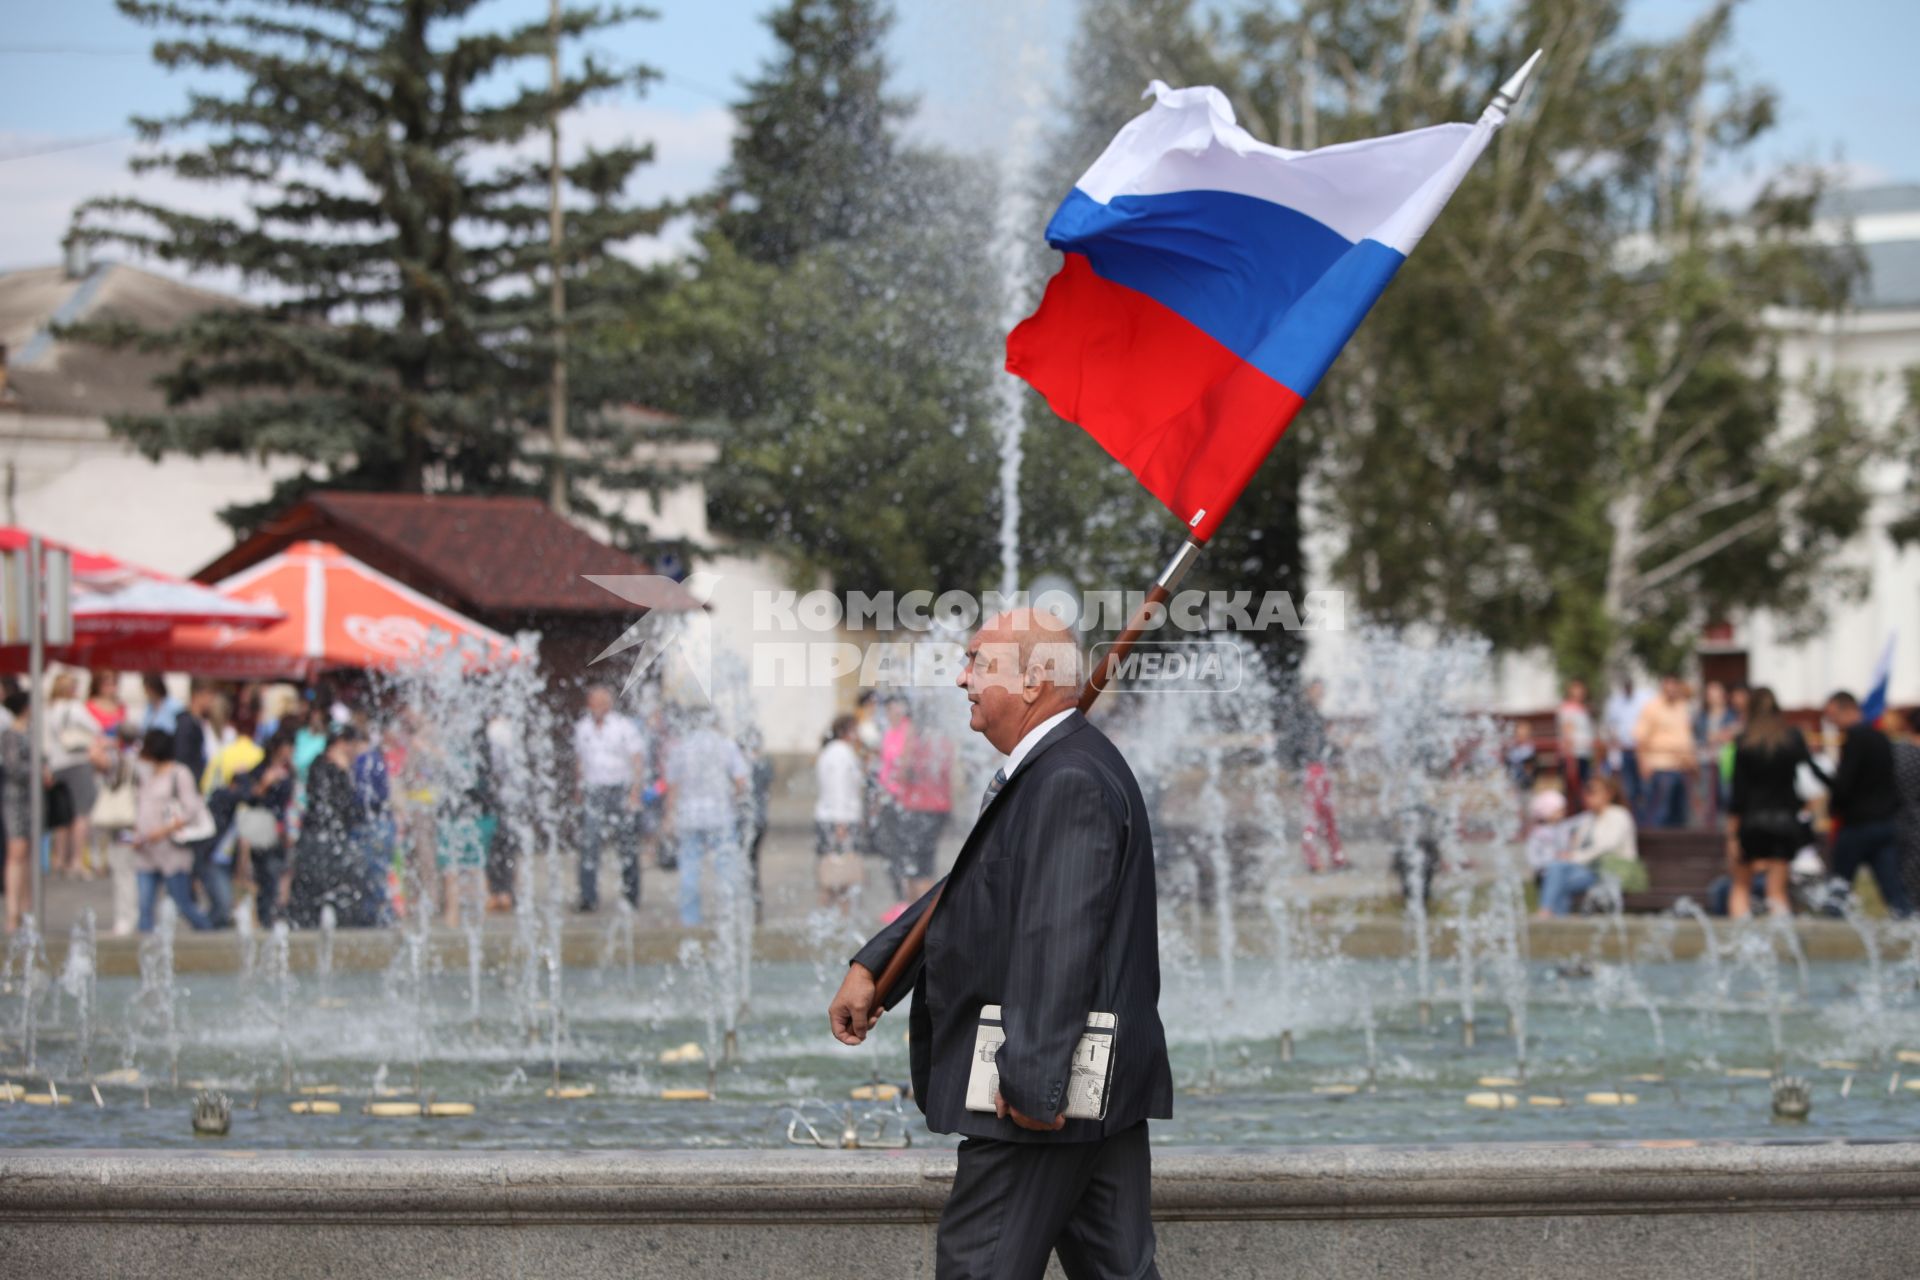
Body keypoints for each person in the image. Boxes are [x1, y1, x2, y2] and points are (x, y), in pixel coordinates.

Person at [829, 609, 1171, 1280]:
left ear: (1037, 680)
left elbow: (1058, 937)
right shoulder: (1050, 767)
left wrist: (1030, 1080)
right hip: (1079, 1094)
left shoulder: (1065, 777)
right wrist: (878, 965)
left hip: (1037, 1100)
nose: (961, 678)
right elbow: (979, 884)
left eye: (978, 663)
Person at [1725, 687, 1819, 920]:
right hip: (1784, 822)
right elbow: (1810, 773)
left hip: (1752, 822)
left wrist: (1732, 835)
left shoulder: (1744, 741)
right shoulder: (1791, 739)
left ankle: (1740, 942)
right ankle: (1781, 944)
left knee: (1740, 887)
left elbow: (1738, 794)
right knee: (1776, 891)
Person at [1822, 690, 1910, 918]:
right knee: (1895, 893)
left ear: (1847, 710)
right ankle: (1910, 937)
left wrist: (1833, 804)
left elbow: (1844, 785)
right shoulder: (1880, 737)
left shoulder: (1855, 739)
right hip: (1885, 823)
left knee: (1838, 889)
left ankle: (1828, 941)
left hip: (1858, 825)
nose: (1831, 722)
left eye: (1833, 715)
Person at [285, 724, 378, 927]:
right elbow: (331, 806)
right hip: (317, 842)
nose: (355, 752)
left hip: (327, 841)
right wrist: (342, 772)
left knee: (341, 894)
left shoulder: (328, 766)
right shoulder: (323, 766)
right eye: (352, 746)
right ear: (341, 744)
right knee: (314, 896)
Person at [663, 709, 749, 927]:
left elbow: (672, 785)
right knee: (725, 867)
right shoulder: (726, 745)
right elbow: (741, 781)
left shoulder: (682, 747)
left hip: (689, 814)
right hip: (720, 815)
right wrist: (732, 799)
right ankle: (727, 915)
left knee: (689, 867)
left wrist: (669, 815)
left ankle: (689, 918)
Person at [571, 684, 646, 913]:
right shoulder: (583, 728)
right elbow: (579, 761)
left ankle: (631, 894)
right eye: (595, 703)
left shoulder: (623, 727)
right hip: (594, 789)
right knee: (589, 844)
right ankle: (588, 895)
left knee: (627, 844)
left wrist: (635, 792)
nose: (599, 707)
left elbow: (637, 760)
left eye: (603, 703)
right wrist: (579, 790)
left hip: (620, 788)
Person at [130, 729, 212, 932]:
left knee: (182, 905)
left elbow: (190, 809)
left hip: (171, 851)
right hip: (146, 851)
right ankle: (145, 956)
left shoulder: (179, 773)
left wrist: (161, 831)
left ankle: (211, 938)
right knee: (144, 908)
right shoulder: (146, 774)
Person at [877, 696, 955, 900]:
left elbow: (903, 772)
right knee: (925, 864)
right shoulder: (943, 740)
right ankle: (920, 916)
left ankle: (919, 919)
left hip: (916, 807)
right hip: (939, 808)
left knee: (916, 869)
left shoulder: (915, 740)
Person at [1537, 774, 1639, 917]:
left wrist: (1574, 857)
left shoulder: (1619, 816)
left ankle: (1548, 916)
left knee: (1557, 879)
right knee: (1555, 870)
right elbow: (1575, 844)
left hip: (1612, 869)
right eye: (1587, 792)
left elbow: (1606, 847)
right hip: (1590, 869)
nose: (1588, 796)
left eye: (1594, 792)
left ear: (1608, 794)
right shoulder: (1588, 818)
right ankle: (1553, 918)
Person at [44, 671, 102, 880]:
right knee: (80, 813)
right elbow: (96, 727)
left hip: (56, 765)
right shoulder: (74, 708)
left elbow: (44, 741)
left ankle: (58, 858)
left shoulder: (47, 710)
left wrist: (47, 765)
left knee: (61, 816)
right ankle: (76, 860)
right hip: (77, 762)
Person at [815, 713, 866, 912]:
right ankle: (835, 916)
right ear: (846, 731)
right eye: (856, 729)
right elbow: (839, 788)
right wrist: (841, 823)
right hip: (838, 820)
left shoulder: (833, 751)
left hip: (832, 817)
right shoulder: (840, 753)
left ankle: (835, 916)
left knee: (836, 874)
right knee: (838, 875)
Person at [1634, 675, 1697, 828]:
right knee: (1660, 813)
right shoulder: (1652, 707)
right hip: (1661, 766)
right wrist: (1643, 763)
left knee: (1679, 815)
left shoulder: (1682, 706)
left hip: (1682, 766)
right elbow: (1641, 739)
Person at [1, 688, 32, 932]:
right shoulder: (11, 734)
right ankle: (13, 913)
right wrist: (38, 772)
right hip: (15, 798)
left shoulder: (30, 732)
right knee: (16, 852)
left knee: (25, 854)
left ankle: (25, 909)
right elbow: (13, 767)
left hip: (30, 799)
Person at [1602, 676, 1653, 814]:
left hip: (1642, 750)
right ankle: (1633, 815)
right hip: (1625, 750)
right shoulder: (1615, 702)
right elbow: (1611, 726)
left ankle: (1645, 817)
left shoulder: (1644, 698)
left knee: (1644, 786)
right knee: (1629, 787)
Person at [1695, 680, 1738, 822]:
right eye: (1710, 694)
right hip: (1706, 760)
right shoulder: (1701, 717)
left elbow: (1733, 734)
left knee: (1726, 794)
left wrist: (1719, 736)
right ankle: (1710, 828)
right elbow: (1699, 737)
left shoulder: (1731, 715)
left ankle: (1726, 827)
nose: (1713, 697)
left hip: (1725, 760)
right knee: (1708, 796)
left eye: (1716, 694)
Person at [1556, 679, 1596, 795]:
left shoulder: (1582, 708)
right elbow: (1567, 733)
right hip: (1574, 755)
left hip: (1583, 753)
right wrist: (1570, 761)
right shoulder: (1568, 709)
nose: (1580, 692)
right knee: (1575, 791)